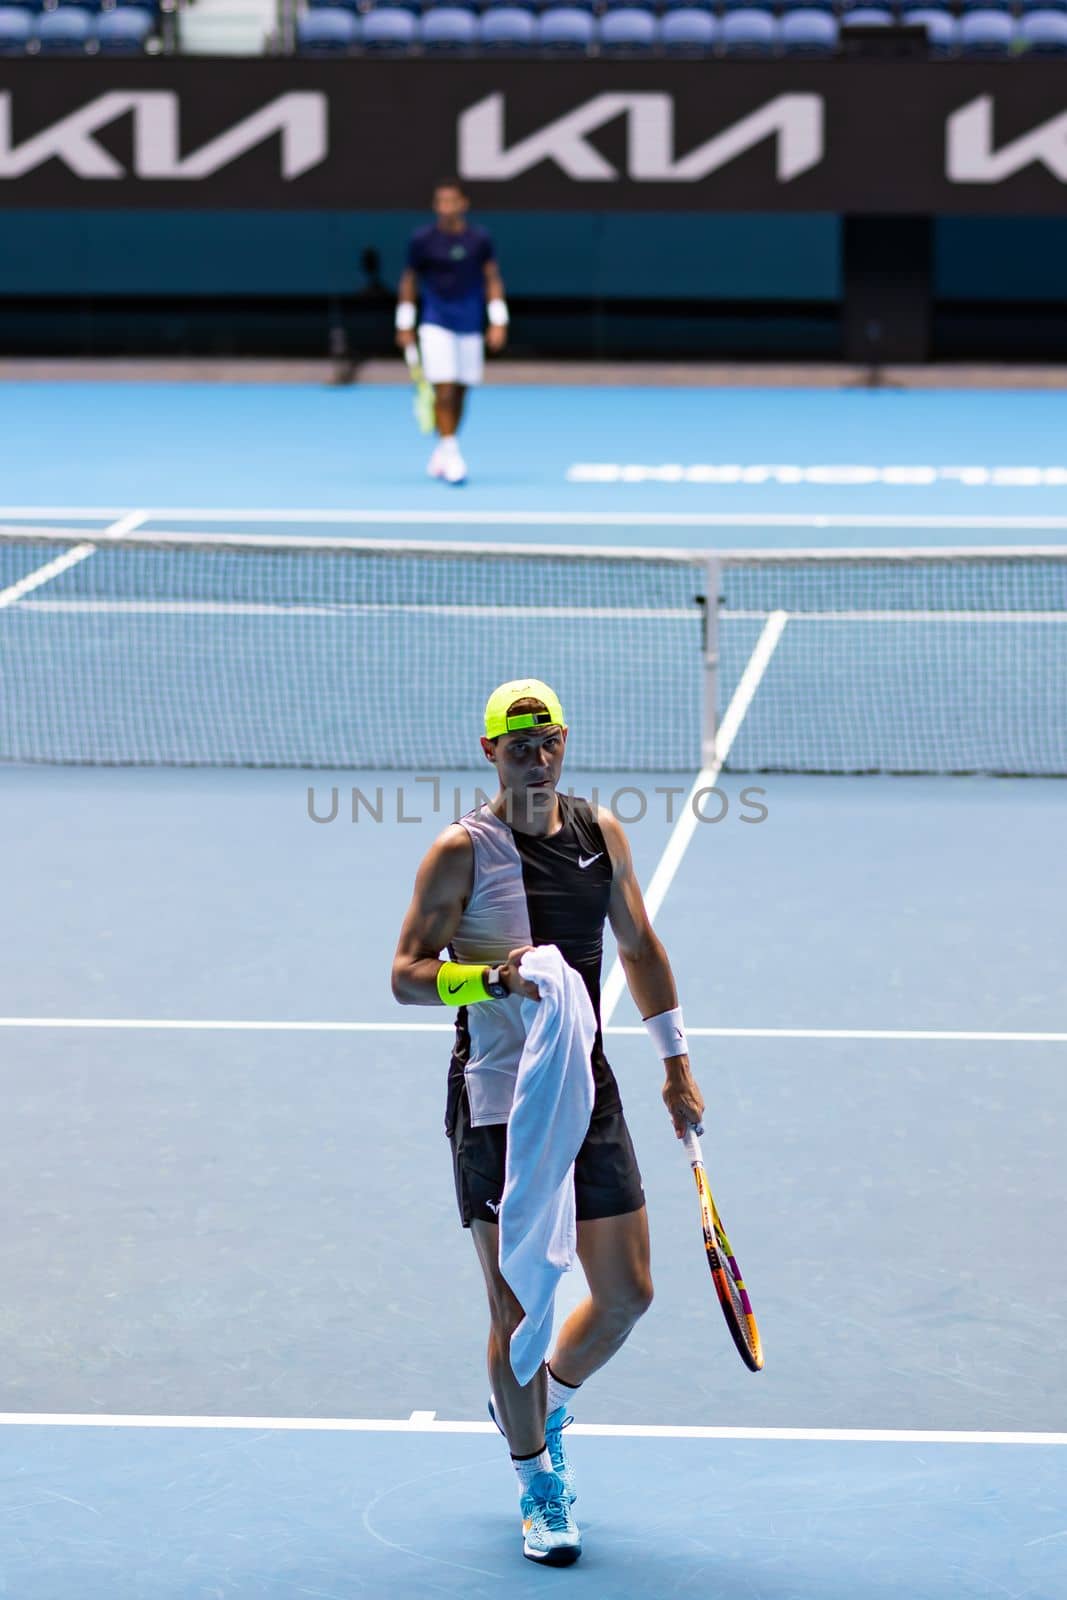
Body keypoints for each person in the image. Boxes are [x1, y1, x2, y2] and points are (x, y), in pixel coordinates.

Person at [391, 679, 706, 1567]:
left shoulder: (599, 834)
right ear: (489, 750)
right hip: (499, 1098)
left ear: (563, 742)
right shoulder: (461, 851)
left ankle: (542, 1401)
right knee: (518, 1307)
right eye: (519, 740)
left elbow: (639, 948)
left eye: (549, 737)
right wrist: (493, 979)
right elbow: (407, 975)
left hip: (586, 1084)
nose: (537, 753)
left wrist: (675, 1065)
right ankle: (537, 1482)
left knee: (626, 1293)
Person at [394, 178, 508, 487]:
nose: (446, 207)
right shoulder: (422, 240)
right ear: (435, 206)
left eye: (451, 201)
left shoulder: (479, 240)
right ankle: (451, 451)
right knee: (443, 389)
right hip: (435, 322)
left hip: (470, 323)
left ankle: (443, 447)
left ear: (463, 204)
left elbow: (492, 278)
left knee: (460, 391)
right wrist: (404, 322)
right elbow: (409, 280)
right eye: (440, 202)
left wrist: (498, 319)